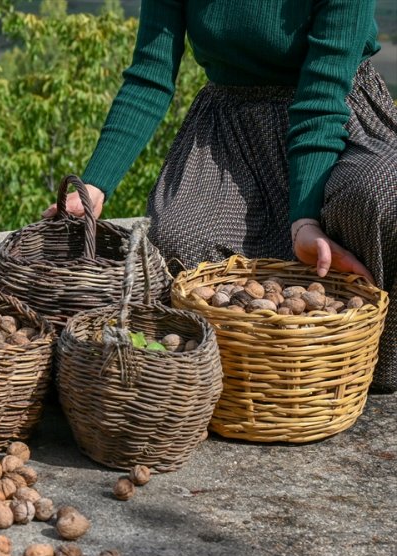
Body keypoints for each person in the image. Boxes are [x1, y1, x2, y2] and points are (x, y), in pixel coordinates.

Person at [48, 1, 396, 393]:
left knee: (379, 193)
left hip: (337, 115)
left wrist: (304, 218)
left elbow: (321, 95)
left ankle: (367, 367)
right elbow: (150, 75)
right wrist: (96, 184)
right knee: (179, 233)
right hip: (232, 123)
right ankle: (239, 377)